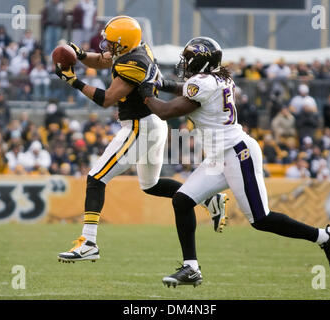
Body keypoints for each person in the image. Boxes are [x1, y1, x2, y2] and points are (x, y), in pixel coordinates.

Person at [137, 36, 330, 287]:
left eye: (188, 59)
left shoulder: (203, 83)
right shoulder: (218, 78)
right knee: (181, 200)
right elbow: (187, 88)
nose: (184, 63)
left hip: (237, 153)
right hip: (219, 156)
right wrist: (162, 83)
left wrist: (146, 94)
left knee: (261, 219)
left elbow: (167, 111)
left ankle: (323, 236)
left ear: (200, 63)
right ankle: (191, 268)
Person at [55, 16, 227, 263]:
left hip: (140, 127)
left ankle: (89, 242)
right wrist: (80, 55)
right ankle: (209, 197)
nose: (107, 47)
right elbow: (105, 60)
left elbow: (107, 99)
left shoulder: (133, 64)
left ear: (123, 44)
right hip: (150, 125)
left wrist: (73, 81)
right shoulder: (136, 48)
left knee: (96, 177)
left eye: (112, 43)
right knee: (151, 185)